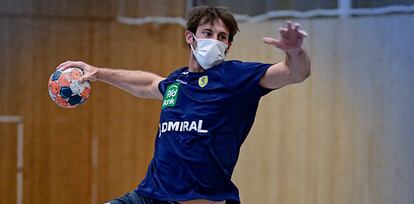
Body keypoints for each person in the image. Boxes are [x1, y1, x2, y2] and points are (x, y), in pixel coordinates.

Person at [58, 6, 310, 204]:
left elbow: (293, 73)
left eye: (222, 37)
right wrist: (99, 73)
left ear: (229, 45)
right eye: (208, 33)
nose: (215, 40)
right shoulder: (177, 81)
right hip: (149, 197)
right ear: (190, 37)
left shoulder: (236, 77)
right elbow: (147, 83)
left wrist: (295, 52)